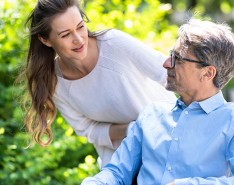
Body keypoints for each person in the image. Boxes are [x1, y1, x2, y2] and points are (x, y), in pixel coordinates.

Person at [21, 0, 176, 168]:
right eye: (66, 35)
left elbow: (169, 74)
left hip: (170, 139)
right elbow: (88, 130)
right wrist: (135, 129)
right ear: (45, 40)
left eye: (80, 27)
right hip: (122, 162)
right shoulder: (55, 83)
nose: (79, 39)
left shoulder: (114, 43)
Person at [81, 18, 234, 185]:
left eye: (178, 59)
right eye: (171, 55)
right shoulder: (151, 114)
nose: (167, 63)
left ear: (207, 73)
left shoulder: (230, 120)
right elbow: (117, 171)